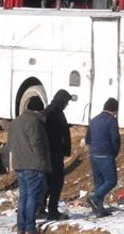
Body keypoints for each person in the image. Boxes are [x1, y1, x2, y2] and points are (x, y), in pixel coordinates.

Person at [8, 96, 50, 234]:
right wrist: (42, 161)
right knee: (33, 196)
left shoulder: (15, 122)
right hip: (33, 165)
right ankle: (30, 227)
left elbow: (10, 145)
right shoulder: (34, 122)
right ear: (38, 110)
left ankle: (21, 227)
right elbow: (36, 143)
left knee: (23, 197)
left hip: (19, 164)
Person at [85, 97, 120, 218]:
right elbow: (115, 139)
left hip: (93, 154)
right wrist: (114, 153)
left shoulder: (94, 120)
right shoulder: (112, 120)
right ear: (115, 110)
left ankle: (99, 208)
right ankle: (95, 198)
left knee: (99, 182)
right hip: (105, 154)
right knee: (111, 180)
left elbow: (87, 139)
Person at [42, 89, 73, 220]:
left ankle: (42, 208)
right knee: (55, 182)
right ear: (61, 101)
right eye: (66, 102)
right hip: (53, 153)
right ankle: (51, 210)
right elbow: (59, 134)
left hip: (54, 153)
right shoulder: (53, 113)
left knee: (49, 183)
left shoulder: (54, 111)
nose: (67, 105)